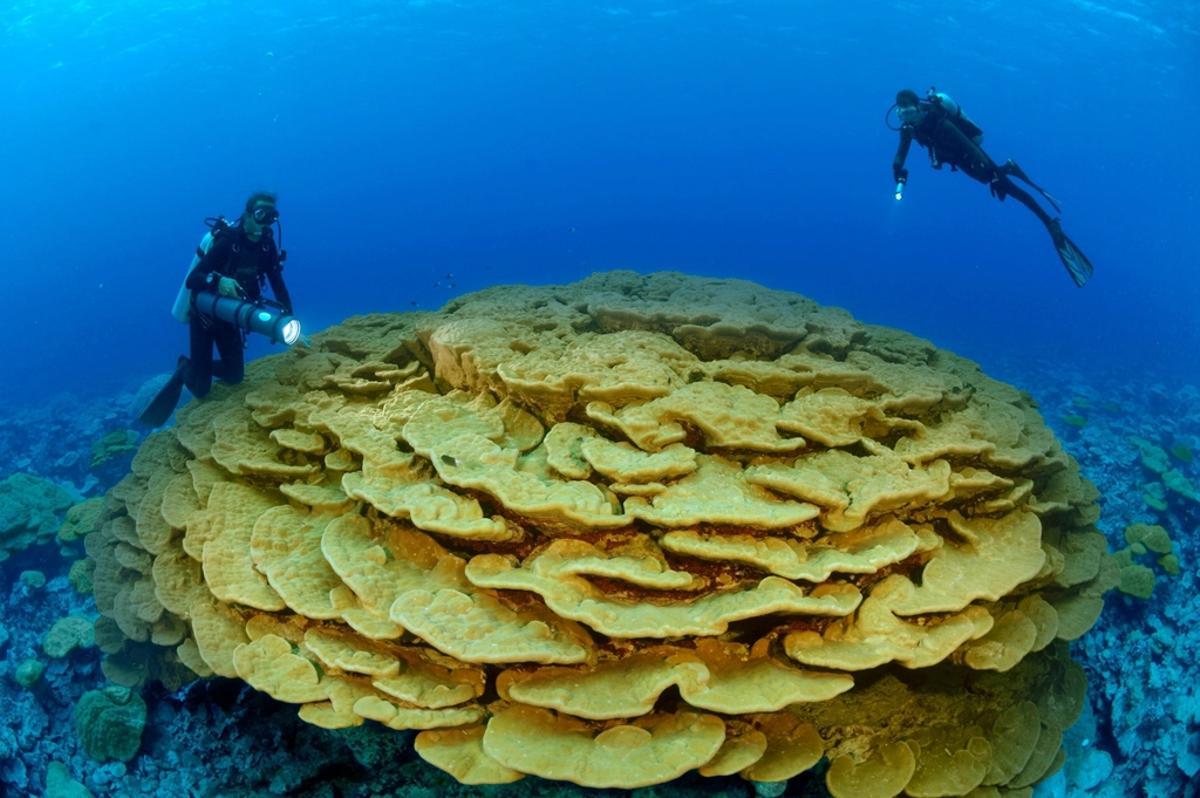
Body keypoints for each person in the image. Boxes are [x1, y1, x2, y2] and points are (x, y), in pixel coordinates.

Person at [891, 88, 1094, 288]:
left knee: (1006, 187)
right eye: (901, 114)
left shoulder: (941, 123)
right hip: (954, 157)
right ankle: (1006, 169)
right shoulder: (908, 128)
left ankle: (1049, 222)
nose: (905, 118)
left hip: (968, 154)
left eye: (908, 112)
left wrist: (995, 174)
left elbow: (970, 147)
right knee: (986, 180)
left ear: (918, 108)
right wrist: (897, 169)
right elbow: (901, 153)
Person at [138, 192, 293, 427]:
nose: (265, 221)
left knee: (235, 376)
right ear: (248, 214)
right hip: (205, 315)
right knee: (201, 388)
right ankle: (185, 370)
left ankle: (196, 367)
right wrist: (218, 281)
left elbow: (277, 281)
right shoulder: (229, 242)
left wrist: (287, 317)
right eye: (261, 214)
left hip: (232, 316)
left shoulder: (266, 246)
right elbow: (193, 279)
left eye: (271, 216)